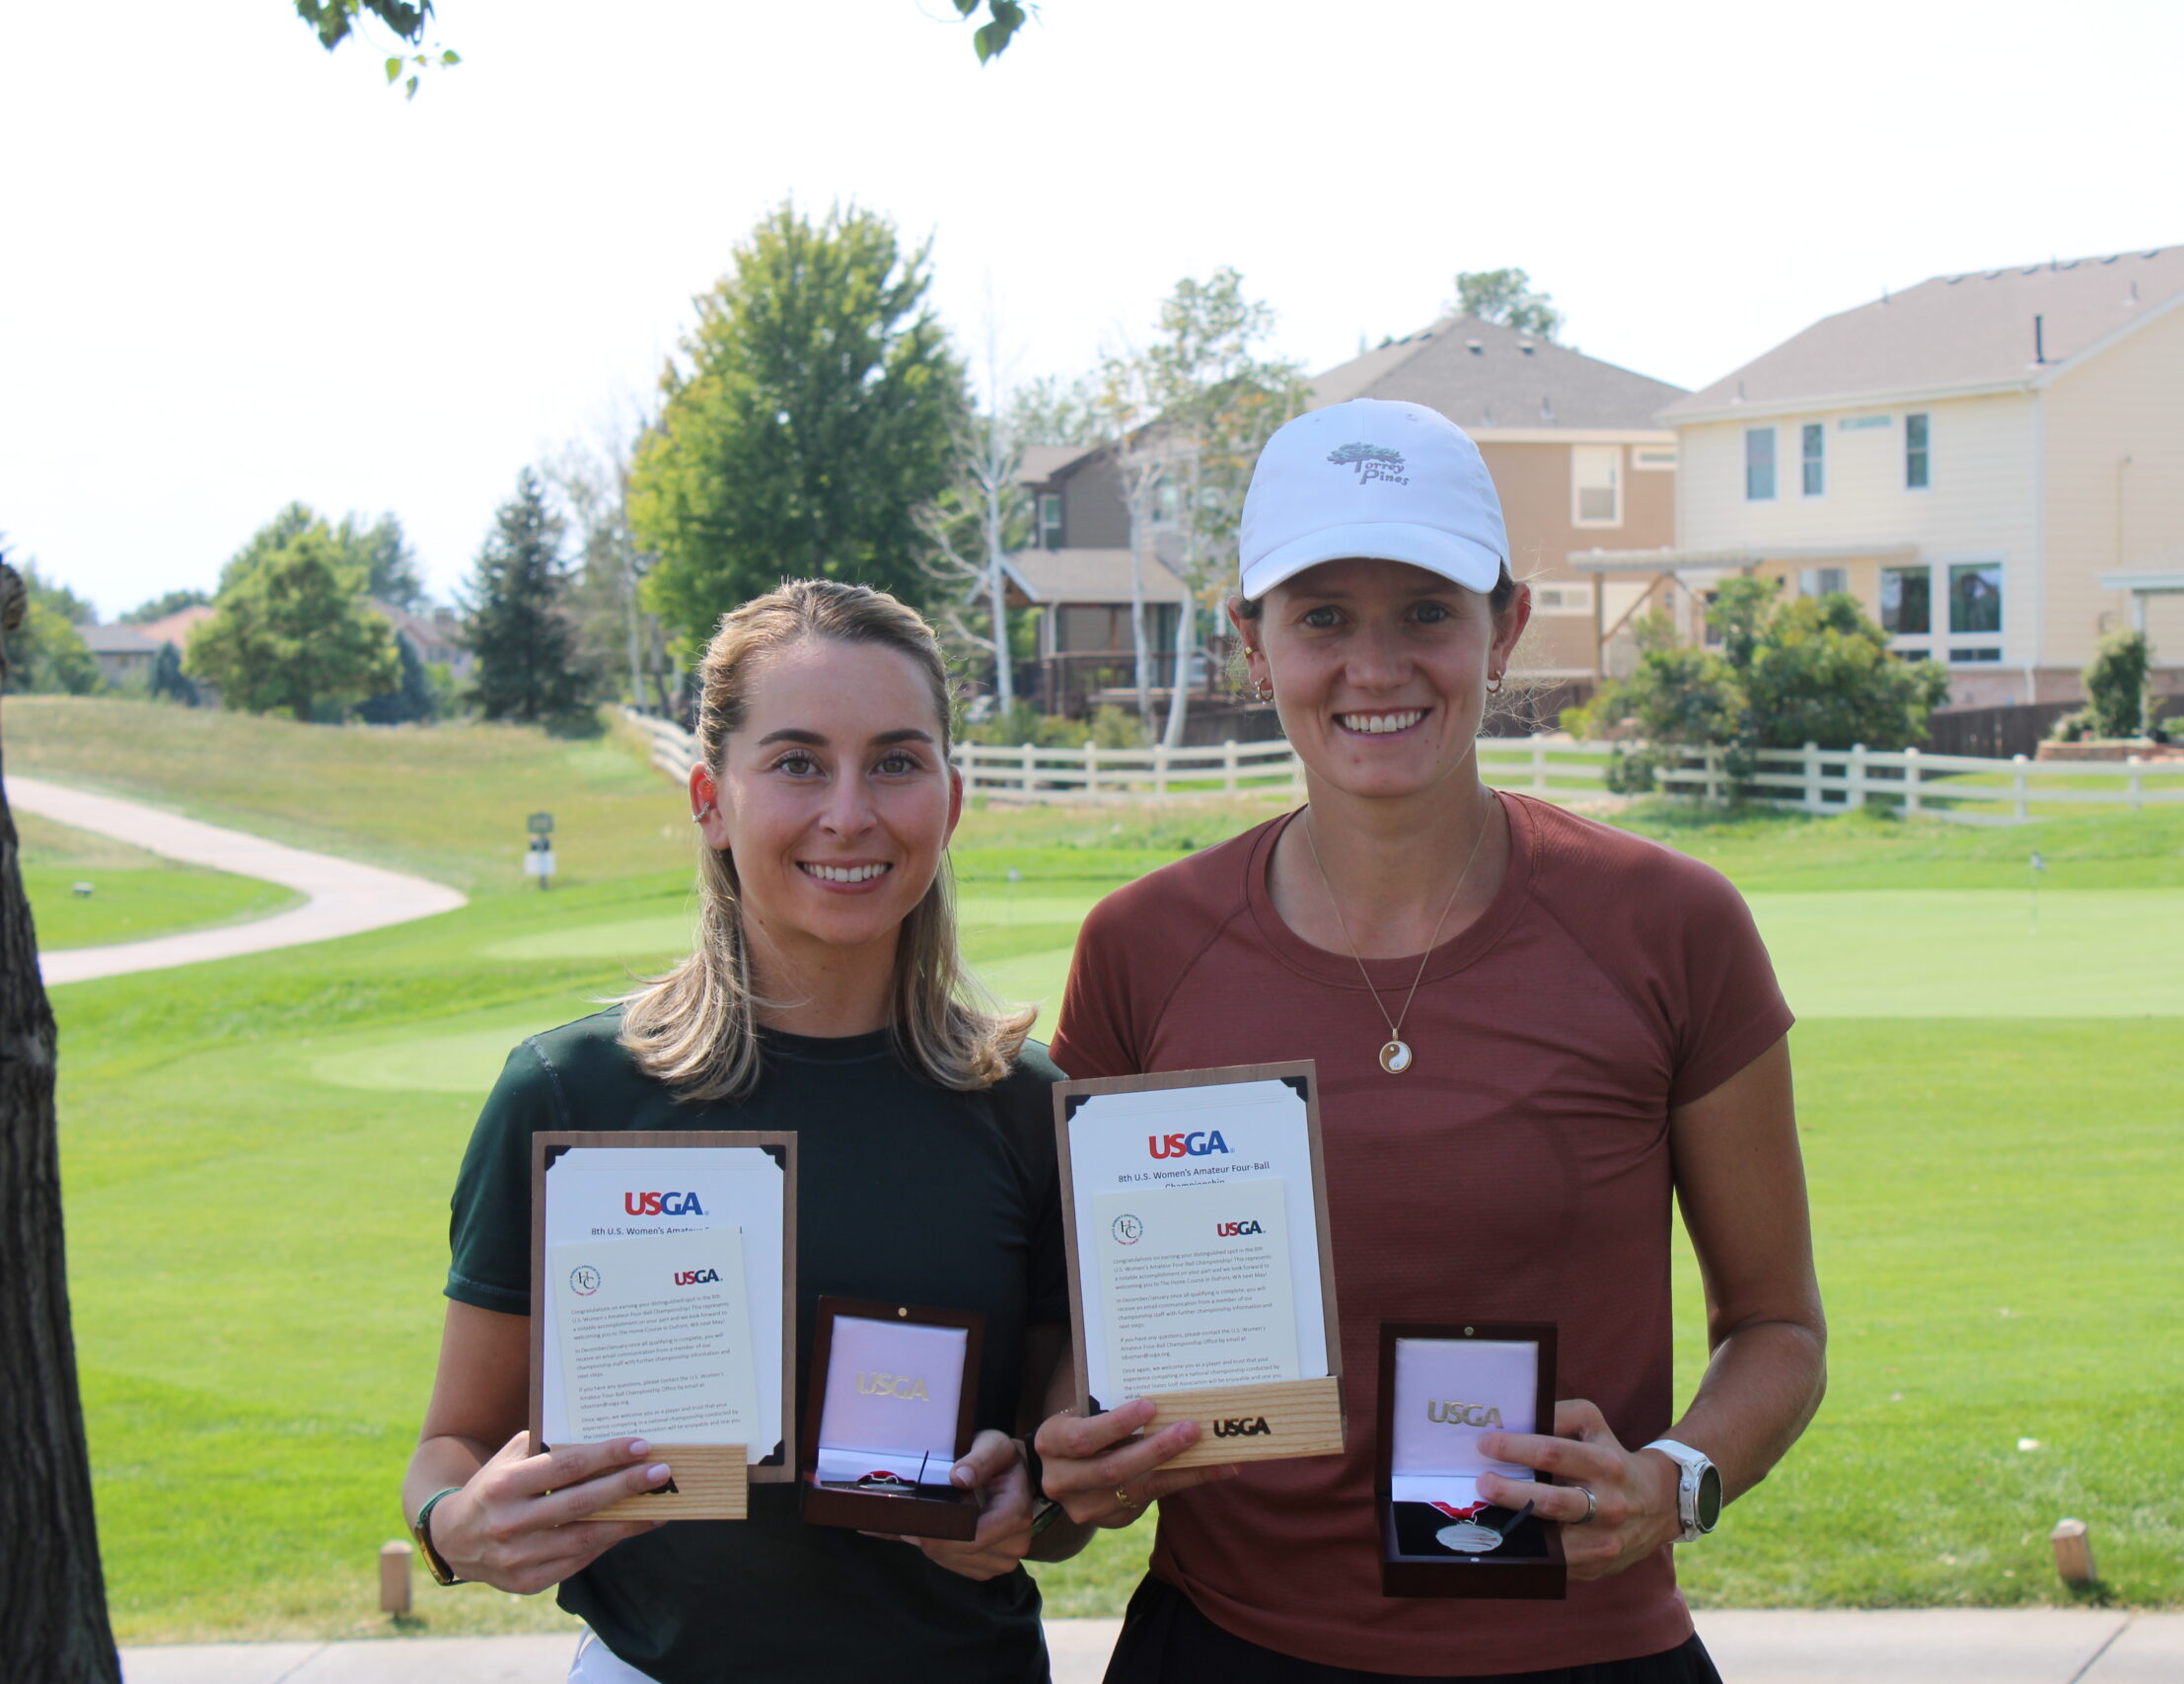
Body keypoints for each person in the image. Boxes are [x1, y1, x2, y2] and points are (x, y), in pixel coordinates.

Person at [1035, 399, 1826, 1683]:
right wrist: (1080, 1442)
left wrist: (1673, 1482)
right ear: (1252, 641)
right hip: (1229, 1647)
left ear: (1505, 626)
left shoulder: (1675, 926)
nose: (1376, 665)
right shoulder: (1140, 946)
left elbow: (1779, 1325)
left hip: (1582, 1651)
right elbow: (1083, 1336)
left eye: (1426, 611)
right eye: (1323, 616)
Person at [401, 581, 1085, 1684]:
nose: (850, 812)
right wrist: (453, 1526)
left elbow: (1060, 1500)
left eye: (897, 762)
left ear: (951, 801)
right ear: (712, 799)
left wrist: (1032, 1509)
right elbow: (452, 1447)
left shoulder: (1028, 1107)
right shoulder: (569, 1096)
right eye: (799, 762)